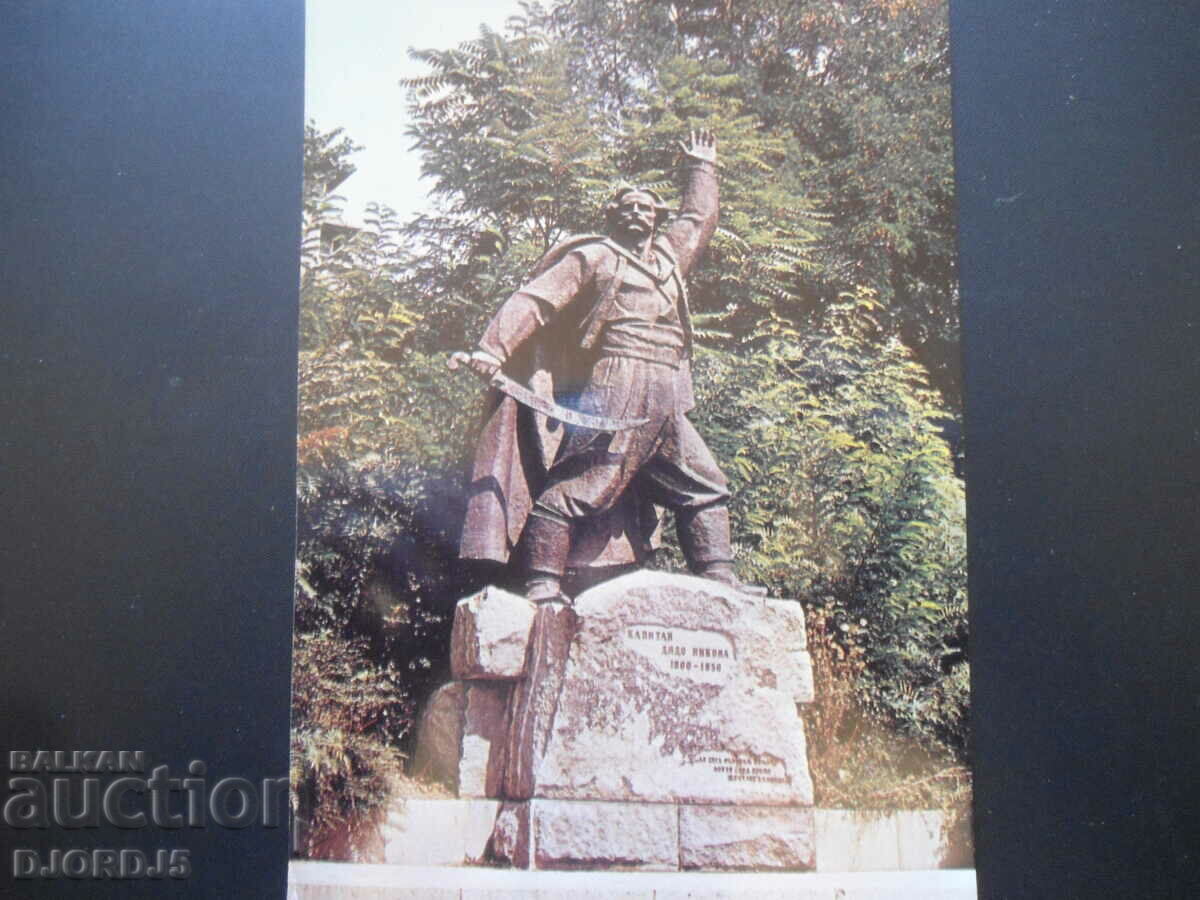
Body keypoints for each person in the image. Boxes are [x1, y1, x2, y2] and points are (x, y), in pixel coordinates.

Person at [459, 130, 759, 601]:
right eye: (627, 206)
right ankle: (542, 583)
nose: (637, 212)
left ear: (657, 219)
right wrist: (492, 349)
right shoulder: (595, 256)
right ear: (612, 217)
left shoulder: (667, 260)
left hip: (667, 389)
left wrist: (702, 168)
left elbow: (699, 220)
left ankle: (719, 578)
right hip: (617, 378)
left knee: (705, 482)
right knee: (588, 483)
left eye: (645, 207)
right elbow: (536, 301)